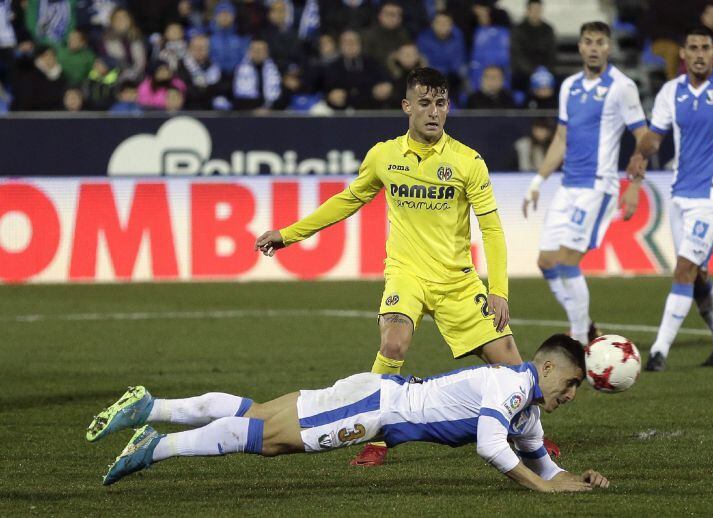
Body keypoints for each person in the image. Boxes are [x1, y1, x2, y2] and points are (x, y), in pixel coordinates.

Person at [256, 67, 524, 466]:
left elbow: (492, 229)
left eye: (440, 103)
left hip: (457, 280)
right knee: (393, 343)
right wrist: (289, 234)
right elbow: (347, 201)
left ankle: (530, 441)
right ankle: (376, 437)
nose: (433, 112)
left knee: (514, 370)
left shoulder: (468, 162)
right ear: (406, 106)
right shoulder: (384, 156)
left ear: (448, 107)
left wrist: (498, 288)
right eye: (424, 103)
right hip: (407, 274)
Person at [87, 334, 609, 492]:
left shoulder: (528, 413)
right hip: (375, 407)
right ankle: (156, 446)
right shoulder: (509, 386)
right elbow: (492, 446)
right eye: (571, 383)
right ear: (544, 370)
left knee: (261, 415)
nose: (572, 393)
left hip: (376, 396)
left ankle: (152, 407)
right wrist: (540, 489)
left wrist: (576, 481)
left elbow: (544, 465)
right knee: (268, 438)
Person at [626, 25, 713, 371]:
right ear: (684, 53)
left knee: (684, 269)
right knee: (697, 273)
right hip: (679, 196)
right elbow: (654, 138)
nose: (700, 53)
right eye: (693, 47)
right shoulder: (670, 93)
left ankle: (658, 352)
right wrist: (640, 153)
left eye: (706, 47)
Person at [521, 21, 647, 346]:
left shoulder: (622, 87)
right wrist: (538, 181)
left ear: (608, 47)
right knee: (546, 262)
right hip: (567, 186)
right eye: (588, 41)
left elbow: (643, 137)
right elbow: (561, 138)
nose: (593, 47)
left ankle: (578, 342)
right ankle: (586, 325)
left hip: (597, 186)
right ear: (579, 46)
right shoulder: (569, 87)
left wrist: (634, 184)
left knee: (567, 260)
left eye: (600, 42)